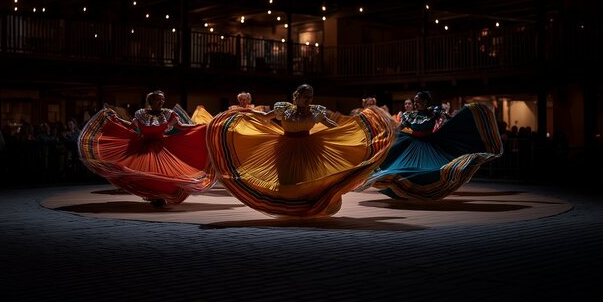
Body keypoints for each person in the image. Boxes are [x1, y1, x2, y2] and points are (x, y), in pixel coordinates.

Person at [205, 83, 396, 217]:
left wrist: (349, 130)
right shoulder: (284, 109)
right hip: (284, 147)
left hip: (309, 148)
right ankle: (287, 209)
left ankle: (306, 209)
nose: (308, 100)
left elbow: (330, 124)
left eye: (310, 97)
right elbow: (264, 118)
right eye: (305, 97)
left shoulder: (315, 111)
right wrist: (243, 113)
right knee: (286, 180)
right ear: (296, 96)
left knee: (305, 181)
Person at [78, 90, 216, 207]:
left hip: (161, 147)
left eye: (163, 100)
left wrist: (201, 127)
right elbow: (132, 127)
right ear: (151, 101)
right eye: (158, 100)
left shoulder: (168, 114)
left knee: (163, 174)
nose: (161, 102)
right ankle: (154, 196)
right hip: (142, 147)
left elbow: (180, 127)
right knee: (145, 173)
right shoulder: (140, 114)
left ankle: (160, 196)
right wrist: (117, 121)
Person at [359, 90, 503, 201]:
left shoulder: (434, 112)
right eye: (414, 101)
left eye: (418, 101)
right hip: (411, 144)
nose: (415, 103)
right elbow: (399, 128)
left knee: (431, 170)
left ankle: (419, 192)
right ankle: (400, 189)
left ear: (426, 101)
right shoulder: (409, 115)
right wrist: (386, 134)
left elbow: (448, 120)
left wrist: (459, 117)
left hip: (431, 144)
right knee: (396, 166)